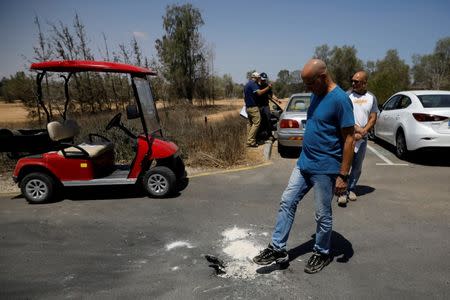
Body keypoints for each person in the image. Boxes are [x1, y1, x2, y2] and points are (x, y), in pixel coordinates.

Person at [253, 59, 355, 274]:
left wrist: (343, 176)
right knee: (287, 202)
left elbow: (349, 139)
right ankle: (277, 248)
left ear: (323, 77)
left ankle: (322, 252)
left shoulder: (341, 100)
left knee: (322, 214)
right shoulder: (316, 95)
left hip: (325, 168)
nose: (308, 88)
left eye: (310, 83)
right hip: (304, 163)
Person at [337, 71, 379, 206]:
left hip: (362, 138)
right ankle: (342, 192)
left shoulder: (371, 97)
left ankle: (351, 188)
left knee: (357, 166)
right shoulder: (346, 96)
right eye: (353, 80)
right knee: (344, 165)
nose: (353, 83)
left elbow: (373, 117)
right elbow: (342, 116)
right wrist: (356, 130)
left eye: (357, 81)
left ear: (365, 83)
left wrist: (364, 131)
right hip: (348, 136)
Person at [243, 72, 272, 147]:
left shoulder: (247, 84)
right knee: (257, 123)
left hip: (247, 107)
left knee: (250, 124)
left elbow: (244, 96)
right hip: (253, 107)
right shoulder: (253, 84)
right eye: (259, 78)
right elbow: (259, 93)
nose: (259, 79)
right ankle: (251, 141)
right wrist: (268, 87)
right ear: (255, 77)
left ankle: (248, 140)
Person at [256, 72, 282, 141]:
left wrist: (277, 100)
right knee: (259, 121)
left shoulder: (267, 86)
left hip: (265, 106)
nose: (264, 80)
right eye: (262, 79)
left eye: (265, 79)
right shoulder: (257, 86)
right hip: (258, 106)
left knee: (268, 119)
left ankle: (270, 135)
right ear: (260, 78)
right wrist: (268, 87)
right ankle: (259, 136)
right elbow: (259, 93)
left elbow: (271, 95)